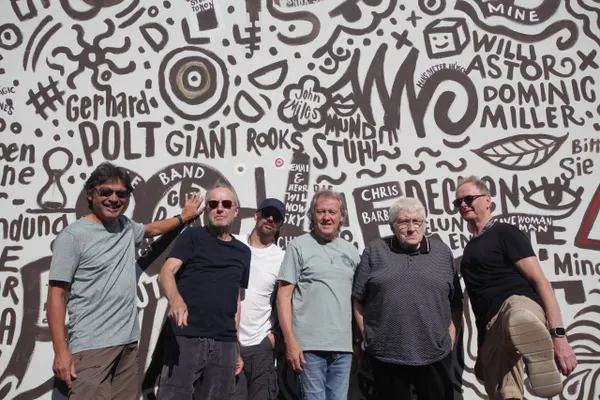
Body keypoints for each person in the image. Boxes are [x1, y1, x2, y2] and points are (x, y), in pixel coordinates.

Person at [47, 161, 202, 399]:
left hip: (128, 346)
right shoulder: (73, 237)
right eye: (106, 192)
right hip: (91, 348)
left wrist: (183, 217)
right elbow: (56, 295)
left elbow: (151, 229)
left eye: (121, 194)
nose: (114, 199)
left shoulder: (125, 227)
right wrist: (60, 351)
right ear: (91, 194)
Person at [455, 176, 577, 400]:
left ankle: (534, 341)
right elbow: (479, 306)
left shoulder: (505, 232)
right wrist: (482, 349)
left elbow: (541, 282)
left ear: (488, 200)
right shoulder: (469, 250)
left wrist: (559, 337)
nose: (463, 204)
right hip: (491, 328)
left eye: (469, 198)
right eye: (458, 202)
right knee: (505, 394)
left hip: (517, 305)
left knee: (517, 315)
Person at [352, 197, 462, 399]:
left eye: (417, 221)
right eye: (404, 222)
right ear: (392, 226)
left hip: (434, 352)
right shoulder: (375, 251)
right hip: (386, 353)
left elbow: (456, 302)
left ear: (424, 224)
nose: (411, 228)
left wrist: (451, 337)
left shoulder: (442, 253)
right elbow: (358, 299)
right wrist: (367, 336)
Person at [157, 181, 250, 400]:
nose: (220, 208)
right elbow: (166, 272)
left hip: (225, 342)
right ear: (207, 209)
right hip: (187, 337)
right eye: (213, 204)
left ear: (236, 210)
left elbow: (236, 301)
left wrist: (235, 345)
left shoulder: (243, 252)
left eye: (226, 204)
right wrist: (176, 300)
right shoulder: (192, 236)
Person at [277, 188, 360, 400]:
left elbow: (357, 301)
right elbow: (283, 297)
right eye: (321, 211)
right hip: (308, 348)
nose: (326, 217)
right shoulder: (298, 246)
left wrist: (358, 343)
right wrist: (290, 341)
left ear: (341, 217)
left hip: (343, 348)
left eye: (332, 212)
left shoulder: (351, 252)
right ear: (312, 215)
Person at [232, 198, 287, 400]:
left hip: (260, 346)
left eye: (276, 217)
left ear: (280, 225)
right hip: (228, 343)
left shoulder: (282, 257)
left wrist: (273, 338)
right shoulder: (232, 243)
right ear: (256, 216)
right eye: (266, 214)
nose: (270, 219)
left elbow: (290, 300)